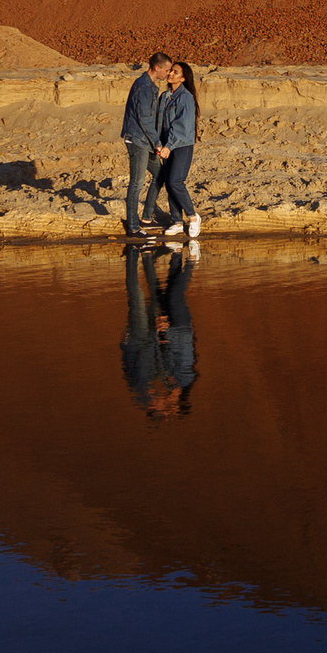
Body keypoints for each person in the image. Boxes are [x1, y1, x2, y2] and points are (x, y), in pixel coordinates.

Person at [119, 243, 197, 417]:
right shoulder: (174, 381)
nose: (167, 404)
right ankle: (147, 255)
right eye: (171, 407)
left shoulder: (143, 388)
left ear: (154, 406)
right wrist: (160, 333)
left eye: (165, 408)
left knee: (137, 297)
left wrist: (126, 342)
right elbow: (172, 353)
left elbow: (136, 359)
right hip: (153, 336)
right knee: (155, 298)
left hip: (139, 338)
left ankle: (133, 254)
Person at [140, 57, 202, 239]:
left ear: (183, 79)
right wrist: (158, 144)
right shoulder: (165, 96)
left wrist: (169, 145)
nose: (171, 73)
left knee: (176, 181)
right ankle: (176, 221)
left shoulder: (186, 98)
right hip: (166, 145)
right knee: (168, 181)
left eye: (175, 72)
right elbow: (160, 123)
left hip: (181, 145)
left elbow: (181, 126)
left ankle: (192, 217)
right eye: (171, 70)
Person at [118, 51, 177, 237]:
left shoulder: (148, 85)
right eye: (166, 70)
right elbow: (144, 119)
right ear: (157, 68)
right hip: (138, 140)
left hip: (147, 141)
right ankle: (133, 227)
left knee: (160, 176)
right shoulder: (143, 87)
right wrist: (158, 144)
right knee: (137, 182)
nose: (168, 74)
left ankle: (146, 217)